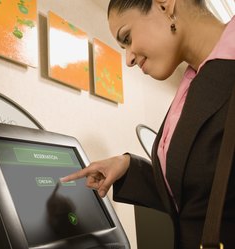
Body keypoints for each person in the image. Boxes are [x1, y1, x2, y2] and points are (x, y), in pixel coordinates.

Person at [61, 0, 235, 248]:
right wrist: (127, 166)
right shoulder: (192, 83)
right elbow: (198, 187)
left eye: (128, 38)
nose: (128, 59)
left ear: (165, 5)